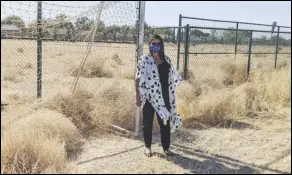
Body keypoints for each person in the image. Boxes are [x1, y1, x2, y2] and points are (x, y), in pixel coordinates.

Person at [135, 34, 182, 157]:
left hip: (165, 97)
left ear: (161, 46)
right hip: (150, 97)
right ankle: (147, 147)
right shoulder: (144, 60)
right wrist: (138, 96)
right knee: (147, 123)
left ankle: (166, 148)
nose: (156, 46)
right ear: (149, 45)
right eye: (153, 43)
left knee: (165, 122)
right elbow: (138, 78)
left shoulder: (166, 60)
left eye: (158, 44)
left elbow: (172, 78)